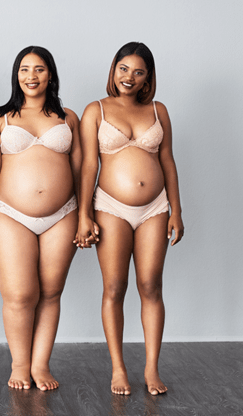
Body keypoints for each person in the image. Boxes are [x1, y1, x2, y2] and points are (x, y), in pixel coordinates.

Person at [0, 46, 81, 391]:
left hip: (63, 214)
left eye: (39, 69)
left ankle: (41, 364)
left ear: (51, 75)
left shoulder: (69, 117)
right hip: (9, 214)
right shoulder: (1, 118)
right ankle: (20, 364)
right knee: (19, 295)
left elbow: (80, 170)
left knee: (50, 292)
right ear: (16, 75)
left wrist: (86, 216)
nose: (31, 76)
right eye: (24, 69)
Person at [75, 42, 184, 396]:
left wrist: (177, 211)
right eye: (123, 68)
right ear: (114, 70)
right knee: (114, 287)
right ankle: (118, 369)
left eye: (138, 72)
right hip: (110, 206)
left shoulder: (159, 110)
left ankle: (151, 368)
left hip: (155, 207)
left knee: (151, 285)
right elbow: (89, 165)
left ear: (147, 78)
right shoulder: (96, 110)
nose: (129, 77)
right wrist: (83, 215)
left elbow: (167, 161)